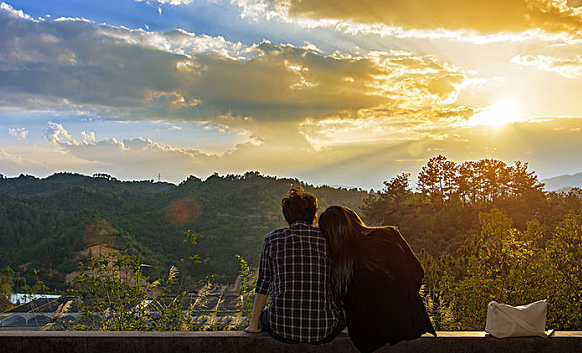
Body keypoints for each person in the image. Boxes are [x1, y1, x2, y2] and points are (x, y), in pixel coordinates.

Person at [318, 205, 436, 353]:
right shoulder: (391, 233)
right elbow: (417, 272)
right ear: (354, 219)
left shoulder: (343, 262)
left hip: (371, 338)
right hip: (412, 324)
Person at [245, 187, 345, 344]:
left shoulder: (272, 240)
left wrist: (253, 324)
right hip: (324, 329)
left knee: (266, 315)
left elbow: (264, 283)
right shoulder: (328, 239)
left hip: (281, 328)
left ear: (286, 221)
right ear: (314, 219)